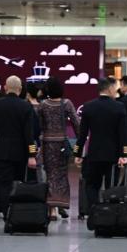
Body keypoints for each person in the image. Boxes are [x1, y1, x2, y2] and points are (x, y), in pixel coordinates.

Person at [74, 77, 127, 219]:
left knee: (92, 185)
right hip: (113, 155)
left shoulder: (88, 106)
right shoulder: (119, 107)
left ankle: (94, 212)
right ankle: (110, 215)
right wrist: (124, 154)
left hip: (94, 153)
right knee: (111, 186)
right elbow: (123, 134)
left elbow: (83, 134)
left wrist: (77, 153)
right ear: (110, 88)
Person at [0, 76, 37, 216]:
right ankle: (16, 214)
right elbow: (29, 134)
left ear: (5, 88)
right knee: (17, 183)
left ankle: (6, 214)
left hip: (1, 151)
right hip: (20, 153)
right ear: (20, 89)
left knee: (4, 185)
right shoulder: (26, 106)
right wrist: (32, 155)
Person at [38, 78, 78, 219]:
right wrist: (80, 143)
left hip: (47, 144)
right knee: (61, 175)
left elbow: (38, 126)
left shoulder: (43, 105)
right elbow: (76, 123)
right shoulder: (67, 103)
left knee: (50, 174)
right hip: (61, 144)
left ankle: (51, 209)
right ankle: (59, 205)